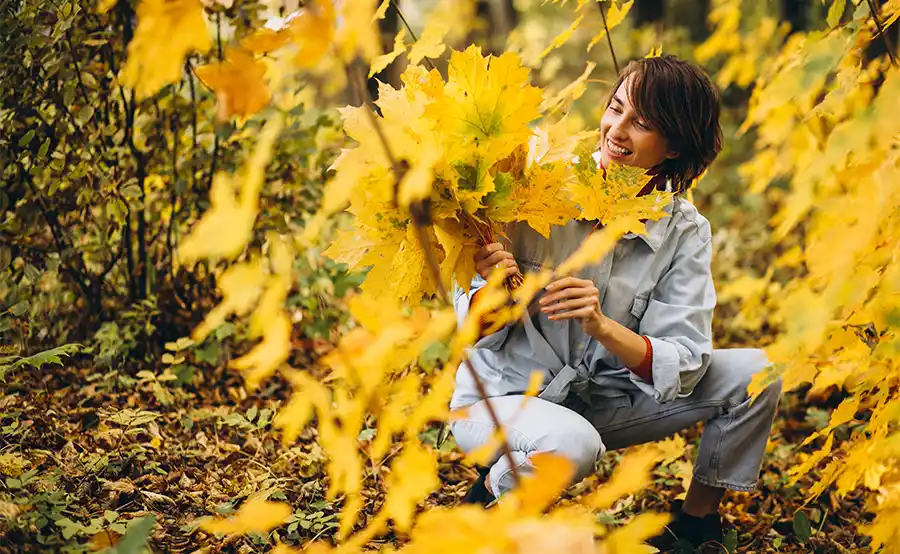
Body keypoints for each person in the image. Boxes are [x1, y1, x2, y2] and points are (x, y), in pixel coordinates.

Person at [449, 55, 782, 551]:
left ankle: (694, 527)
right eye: (616, 108)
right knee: (572, 442)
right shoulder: (532, 188)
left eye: (642, 123)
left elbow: (686, 360)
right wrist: (497, 292)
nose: (617, 131)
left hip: (601, 402)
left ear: (675, 145)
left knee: (758, 373)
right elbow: (469, 330)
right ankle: (497, 494)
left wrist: (602, 325)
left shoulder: (684, 232)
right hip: (499, 401)